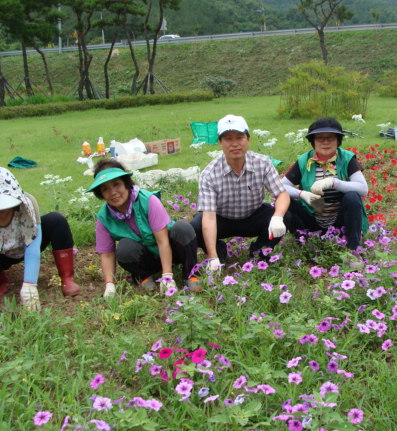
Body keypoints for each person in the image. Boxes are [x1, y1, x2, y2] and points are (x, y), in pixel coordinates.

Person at [190, 114, 290, 272]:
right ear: (220, 143)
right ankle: (218, 252)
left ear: (248, 139)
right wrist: (212, 256)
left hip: (252, 216)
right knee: (196, 226)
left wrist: (277, 217)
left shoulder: (263, 163)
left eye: (239, 137)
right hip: (221, 220)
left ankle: (259, 251)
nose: (234, 144)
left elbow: (282, 194)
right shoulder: (209, 173)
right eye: (228, 139)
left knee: (284, 215)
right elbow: (209, 217)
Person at [87, 159, 200, 297]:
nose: (113, 192)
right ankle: (144, 275)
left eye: (117, 184)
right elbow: (107, 254)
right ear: (101, 193)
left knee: (183, 228)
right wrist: (109, 285)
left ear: (126, 183)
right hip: (146, 258)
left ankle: (190, 273)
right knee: (124, 248)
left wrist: (167, 276)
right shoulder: (104, 217)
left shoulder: (148, 200)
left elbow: (162, 241)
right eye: (105, 189)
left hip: (170, 250)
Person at [0, 167, 80, 312]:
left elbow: (33, 242)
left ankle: (67, 278)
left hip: (25, 243)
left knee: (56, 220)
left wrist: (29, 285)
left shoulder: (28, 203)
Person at [282, 117, 368, 252]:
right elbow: (280, 187)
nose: (325, 142)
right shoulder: (304, 161)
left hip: (340, 222)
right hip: (312, 220)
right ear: (313, 142)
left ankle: (354, 248)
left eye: (331, 138)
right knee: (286, 201)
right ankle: (305, 243)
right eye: (320, 138)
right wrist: (302, 194)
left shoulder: (347, 158)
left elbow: (363, 189)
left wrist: (334, 183)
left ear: (338, 141)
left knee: (352, 197)